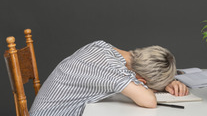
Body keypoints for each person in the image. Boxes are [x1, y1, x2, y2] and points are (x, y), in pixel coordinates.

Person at [29, 40, 188, 116]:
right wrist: (156, 88)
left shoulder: (102, 47)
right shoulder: (111, 69)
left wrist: (169, 81)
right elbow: (149, 101)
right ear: (142, 81)